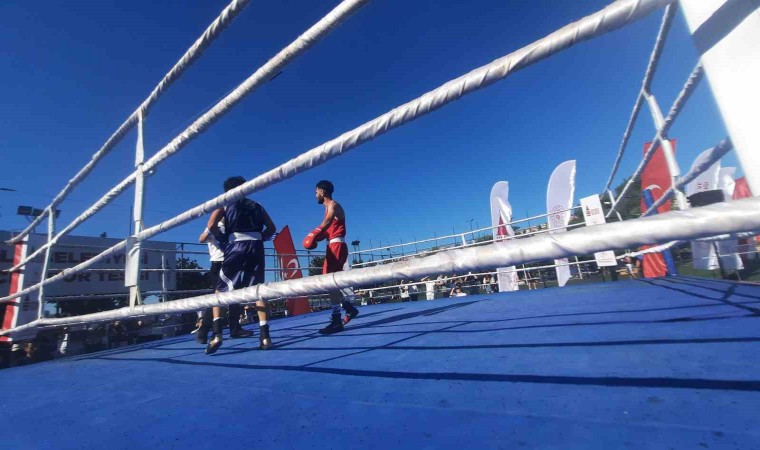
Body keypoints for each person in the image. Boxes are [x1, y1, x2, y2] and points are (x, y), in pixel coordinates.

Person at [205, 176, 277, 354]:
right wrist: (261, 238)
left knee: (220, 290)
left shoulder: (225, 204)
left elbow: (211, 225)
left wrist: (223, 240)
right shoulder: (258, 205)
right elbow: (272, 228)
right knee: (258, 290)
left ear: (228, 191)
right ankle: (265, 337)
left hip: (236, 246)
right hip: (256, 246)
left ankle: (217, 334)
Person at [303, 180, 360, 334]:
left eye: (316, 192)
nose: (315, 195)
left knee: (329, 282)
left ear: (322, 192)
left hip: (337, 246)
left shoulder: (333, 205)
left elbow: (327, 222)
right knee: (330, 283)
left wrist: (312, 234)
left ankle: (336, 320)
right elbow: (326, 231)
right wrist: (315, 239)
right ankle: (348, 309)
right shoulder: (327, 209)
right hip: (332, 246)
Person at [196, 219, 253, 345]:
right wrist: (211, 230)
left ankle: (235, 328)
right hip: (218, 263)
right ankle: (204, 330)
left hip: (233, 262)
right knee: (218, 298)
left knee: (235, 296)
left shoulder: (232, 227)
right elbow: (201, 239)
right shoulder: (213, 226)